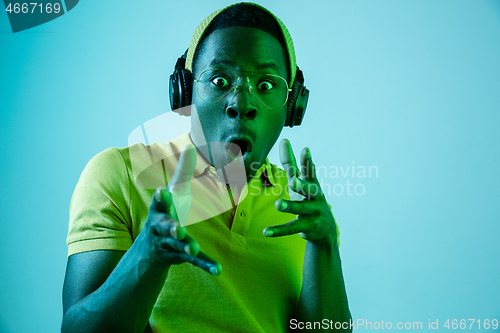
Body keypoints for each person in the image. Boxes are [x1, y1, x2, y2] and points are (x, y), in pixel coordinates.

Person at [62, 3, 352, 332]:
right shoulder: (118, 174)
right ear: (185, 94)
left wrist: (324, 244)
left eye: (267, 85)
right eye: (219, 79)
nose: (241, 104)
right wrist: (148, 254)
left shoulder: (303, 210)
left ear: (293, 106)